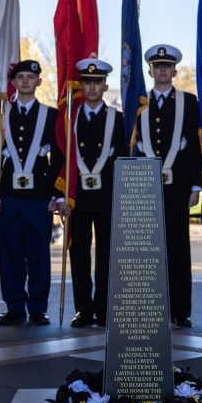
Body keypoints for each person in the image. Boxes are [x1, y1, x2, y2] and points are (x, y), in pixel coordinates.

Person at [0, 59, 64, 326]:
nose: (25, 81)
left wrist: (58, 194)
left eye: (31, 77)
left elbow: (59, 158)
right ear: (14, 83)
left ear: (39, 82)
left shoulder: (50, 115)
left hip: (39, 198)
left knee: (38, 254)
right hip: (8, 196)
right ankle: (15, 307)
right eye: (20, 77)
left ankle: (39, 307)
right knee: (10, 253)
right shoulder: (1, 115)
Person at [134, 44, 202, 328]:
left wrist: (195, 186)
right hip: (145, 187)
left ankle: (180, 310)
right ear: (150, 70)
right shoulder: (139, 103)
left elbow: (195, 148)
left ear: (175, 70)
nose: (162, 70)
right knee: (149, 252)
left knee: (178, 249)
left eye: (167, 66)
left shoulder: (189, 103)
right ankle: (152, 307)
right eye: (157, 66)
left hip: (178, 186)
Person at [67, 58, 127, 328]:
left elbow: (125, 159)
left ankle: (104, 308)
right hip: (77, 197)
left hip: (108, 197)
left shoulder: (118, 119)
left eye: (97, 82)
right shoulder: (70, 118)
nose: (92, 87)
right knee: (78, 252)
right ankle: (83, 309)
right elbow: (62, 158)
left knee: (106, 255)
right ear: (81, 85)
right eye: (87, 82)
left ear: (105, 86)